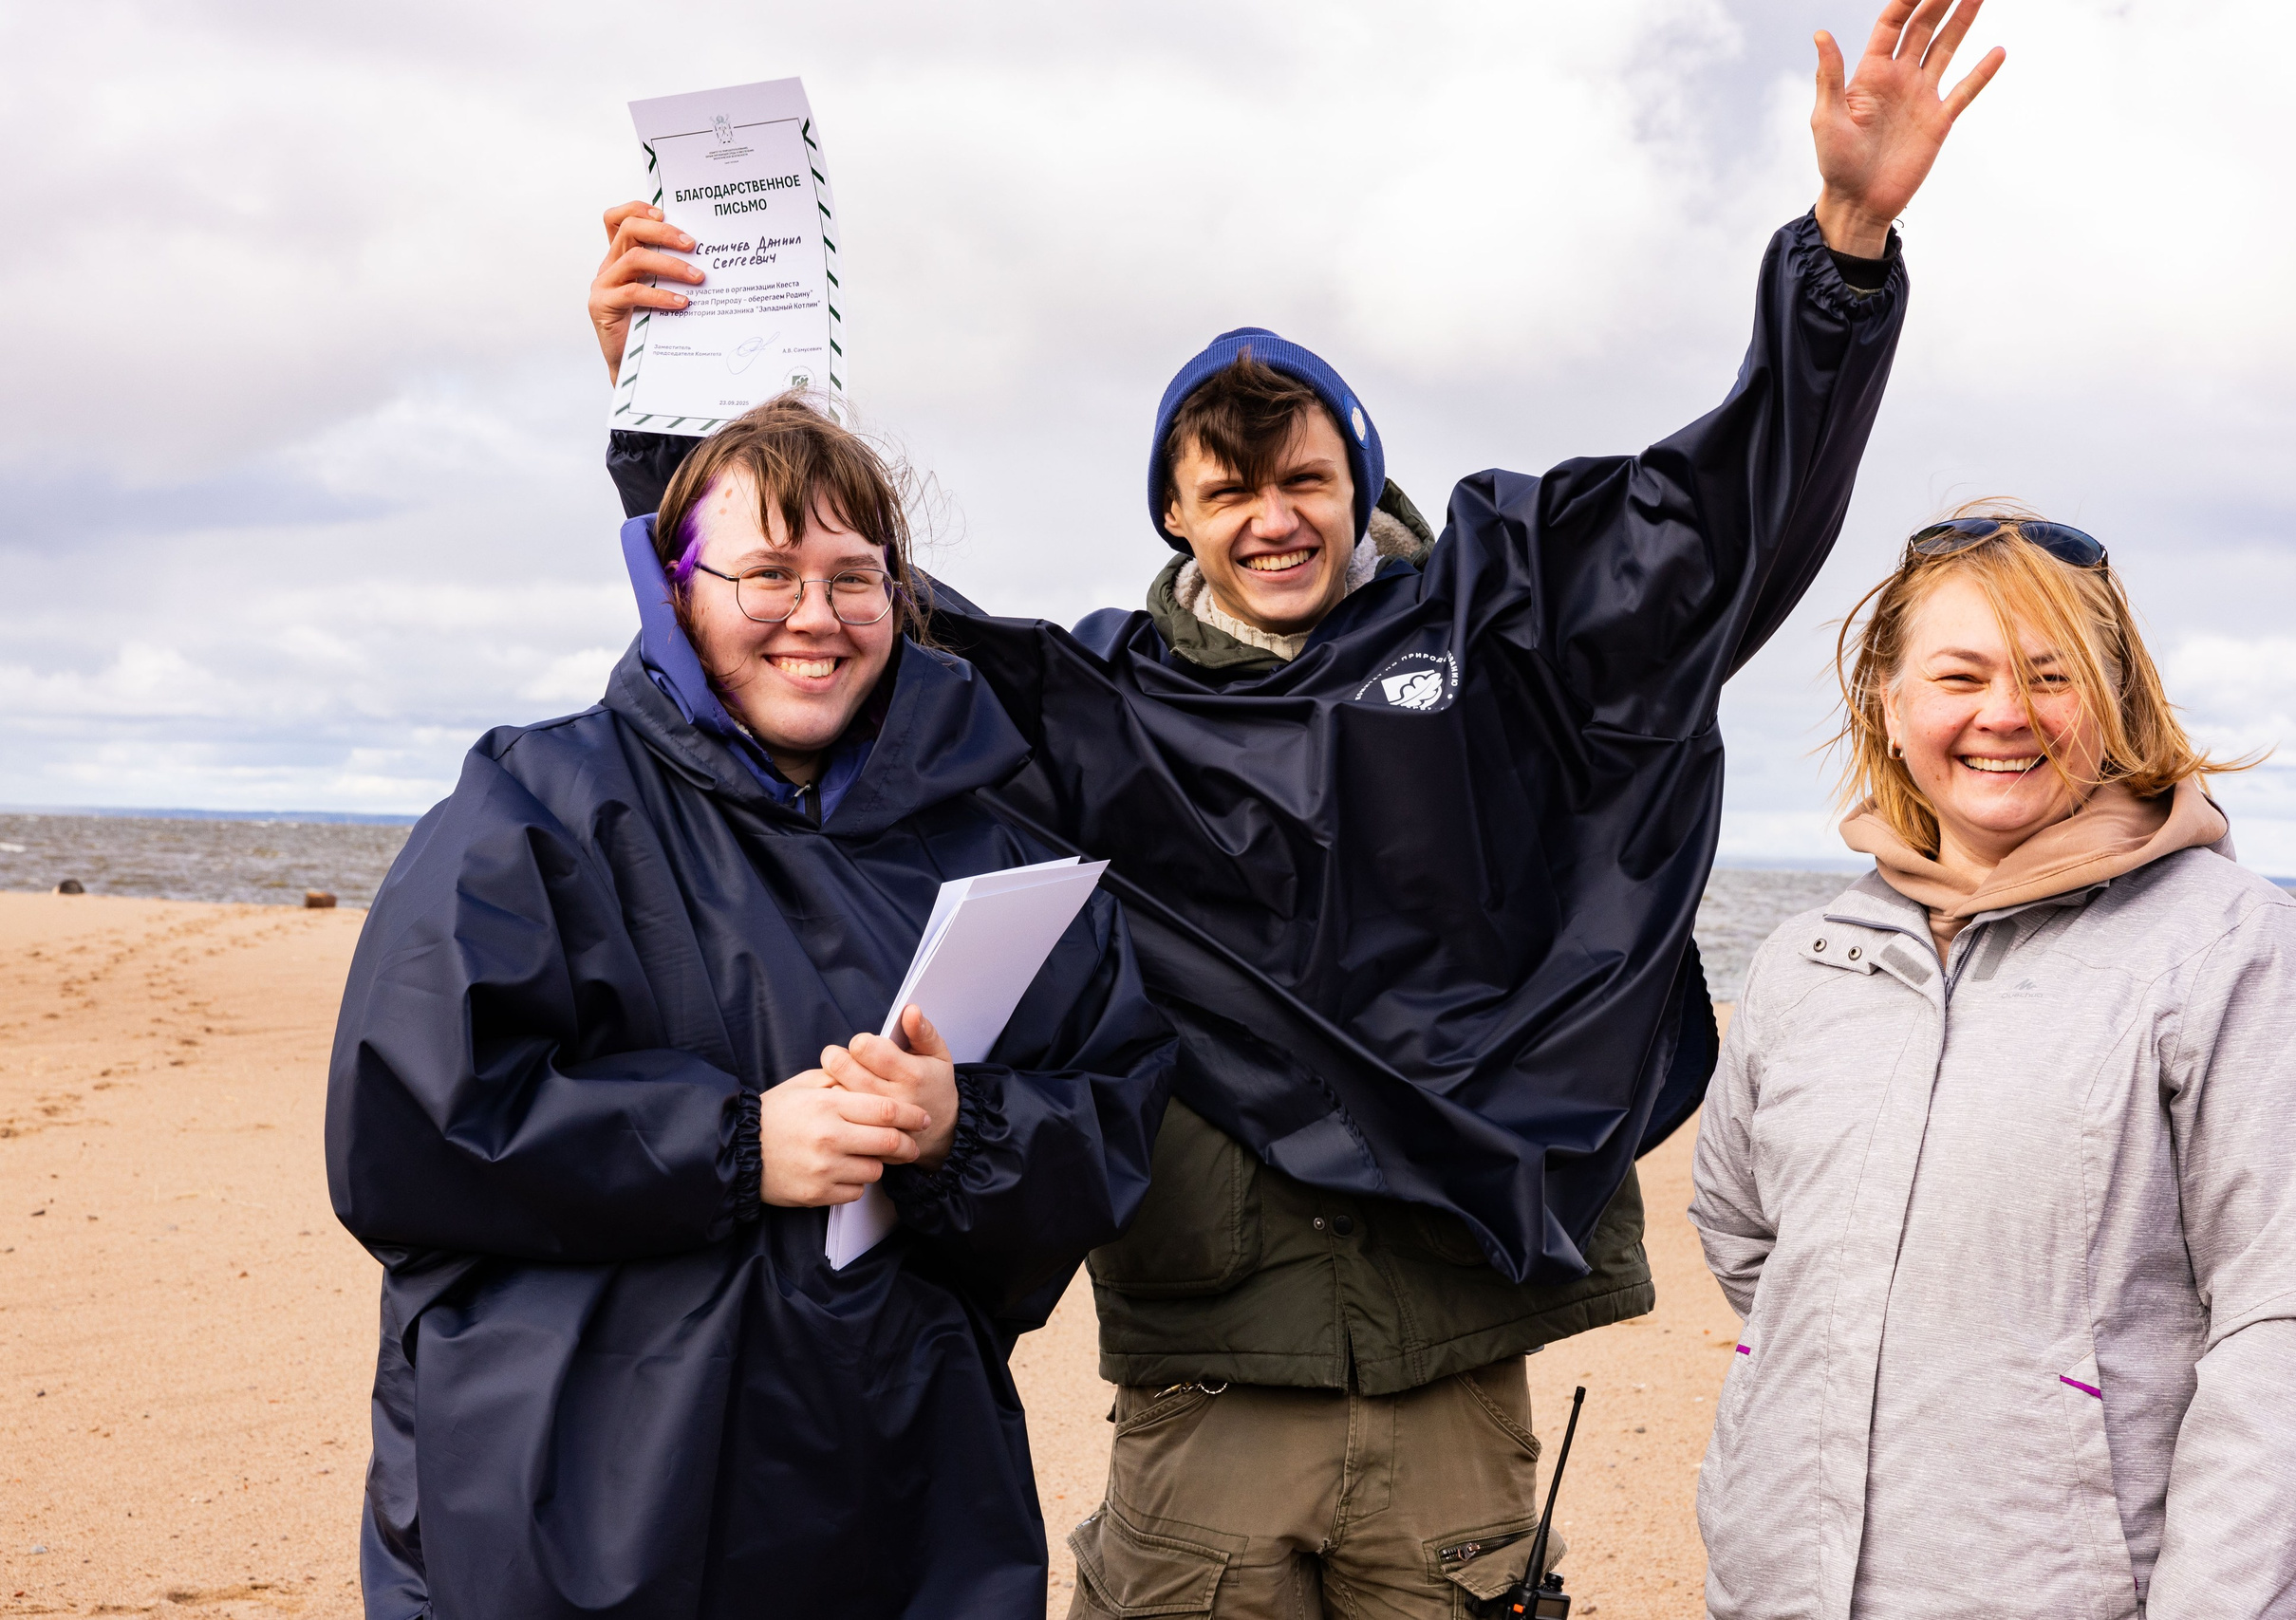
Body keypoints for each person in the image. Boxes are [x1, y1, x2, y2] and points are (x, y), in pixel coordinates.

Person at [587, 5, 2001, 1611]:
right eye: (1229, 488)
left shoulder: (1504, 638)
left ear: (1358, 480)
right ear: (1176, 514)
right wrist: (673, 419)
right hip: (1212, 1369)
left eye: (1305, 478)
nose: (1273, 517)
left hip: (1453, 1365)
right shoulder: (1098, 706)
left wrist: (1842, 255)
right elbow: (820, 622)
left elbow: (1715, 520)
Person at [324, 397, 1176, 1620]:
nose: (815, 616)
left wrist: (959, 1128)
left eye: (853, 577)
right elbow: (411, 1130)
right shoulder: (535, 802)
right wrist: (735, 1146)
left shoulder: (993, 849)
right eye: (767, 574)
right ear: (677, 590)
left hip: (896, 1487)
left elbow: (1113, 1118)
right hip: (579, 1494)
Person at [1689, 510, 2296, 1618]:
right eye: (1959, 675)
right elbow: (1744, 1236)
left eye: (2050, 675)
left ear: (2115, 699)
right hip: (1778, 1590)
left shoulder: (2240, 953)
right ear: (1889, 702)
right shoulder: (1807, 960)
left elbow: (2294, 1334)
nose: (2005, 714)